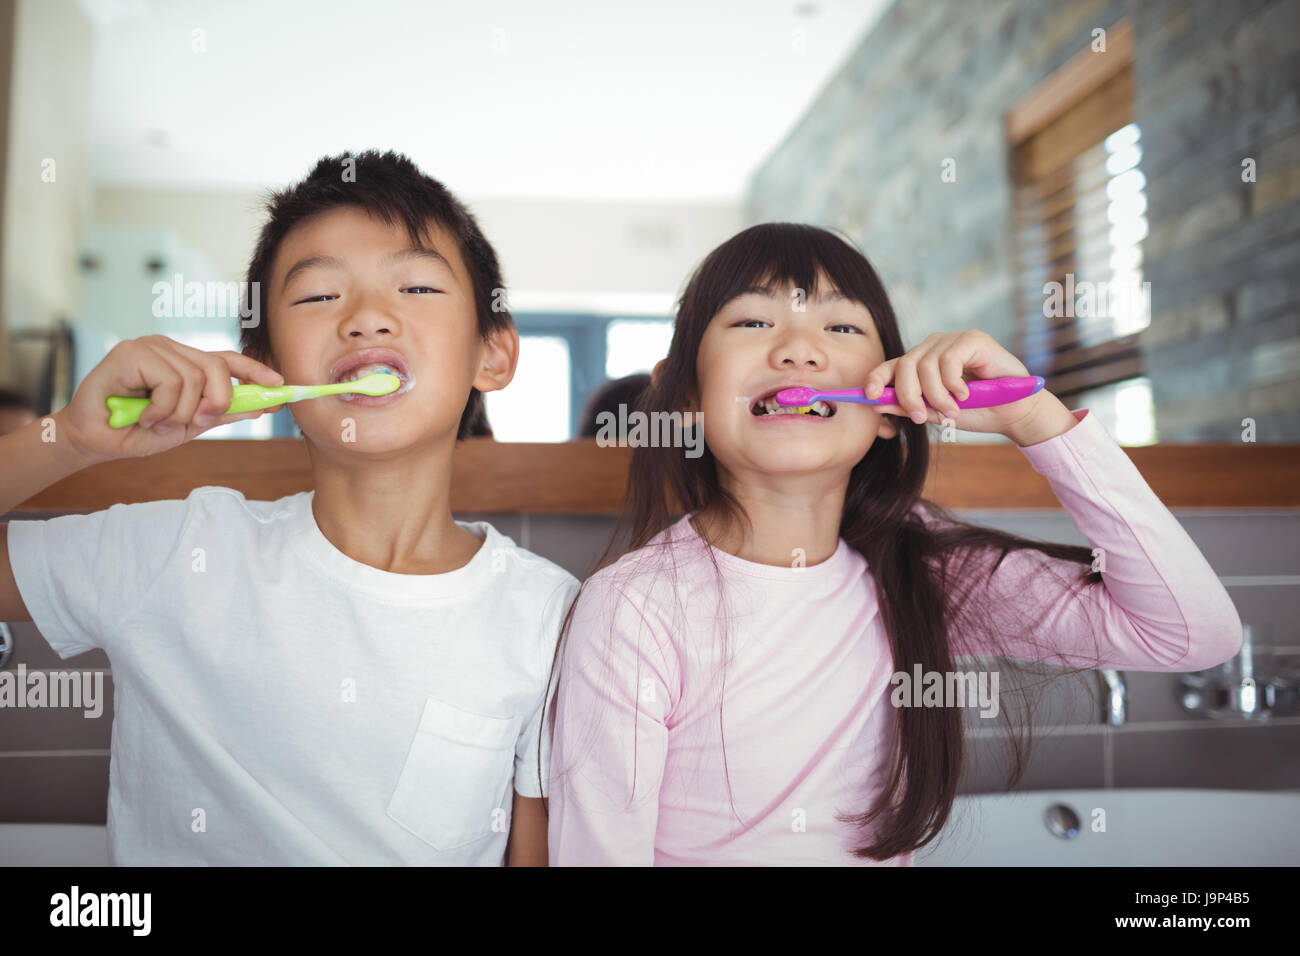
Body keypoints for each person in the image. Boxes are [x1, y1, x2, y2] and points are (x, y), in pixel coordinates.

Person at [544, 222, 1242, 865]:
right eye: (753, 320)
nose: (797, 347)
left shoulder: (924, 573)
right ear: (688, 399)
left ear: (890, 410)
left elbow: (1191, 636)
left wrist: (1037, 418)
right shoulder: (631, 609)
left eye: (841, 325)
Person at [0, 149, 577, 865]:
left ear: (492, 354)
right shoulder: (181, 551)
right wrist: (71, 438)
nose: (367, 319)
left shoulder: (550, 616)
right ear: (264, 366)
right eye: (318, 297)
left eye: (418, 287)